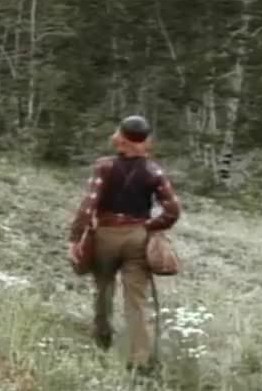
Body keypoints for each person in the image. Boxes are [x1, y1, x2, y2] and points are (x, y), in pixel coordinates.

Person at [68, 115, 181, 374]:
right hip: (137, 238)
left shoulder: (104, 166)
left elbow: (88, 206)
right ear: (144, 141)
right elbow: (173, 210)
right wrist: (149, 227)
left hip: (106, 234)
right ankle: (140, 360)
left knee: (104, 287)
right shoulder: (154, 171)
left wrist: (75, 239)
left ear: (121, 137)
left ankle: (102, 335)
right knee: (137, 301)